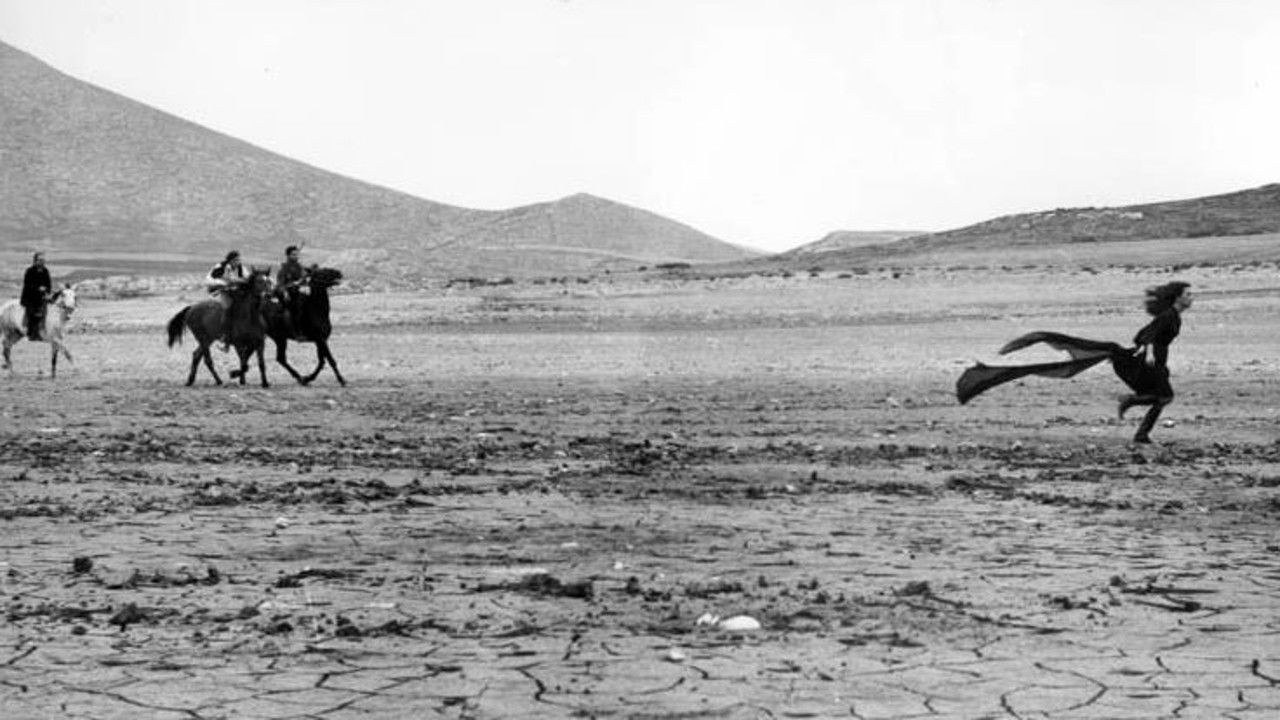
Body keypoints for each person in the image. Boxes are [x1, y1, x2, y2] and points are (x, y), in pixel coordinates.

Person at [956, 281, 1193, 444]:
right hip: (1146, 361)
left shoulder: (1173, 316)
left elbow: (1143, 335)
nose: (1191, 298)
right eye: (1188, 294)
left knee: (1161, 397)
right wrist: (1148, 351)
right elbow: (1147, 335)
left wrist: (1147, 348)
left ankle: (1140, 430)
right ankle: (1131, 408)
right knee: (1164, 397)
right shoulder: (1168, 315)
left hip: (1151, 360)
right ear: (1178, 298)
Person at [204, 250, 246, 351]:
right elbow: (210, 280)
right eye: (236, 260)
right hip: (218, 290)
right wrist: (226, 283)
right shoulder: (221, 267)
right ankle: (224, 336)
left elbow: (246, 278)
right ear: (230, 260)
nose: (238, 262)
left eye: (239, 260)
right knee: (228, 309)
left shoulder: (240, 268)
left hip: (233, 290)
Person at [275, 245, 309, 335]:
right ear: (288, 256)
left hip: (299, 291)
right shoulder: (284, 269)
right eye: (293, 255)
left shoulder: (300, 267)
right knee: (296, 307)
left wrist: (302, 281)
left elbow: (304, 279)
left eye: (297, 255)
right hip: (289, 293)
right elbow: (280, 284)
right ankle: (297, 331)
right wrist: (285, 291)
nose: (296, 256)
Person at [21, 252, 52, 341]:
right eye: (40, 260)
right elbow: (27, 285)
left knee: (44, 313)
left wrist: (47, 291)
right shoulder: (30, 271)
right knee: (32, 313)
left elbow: (49, 284)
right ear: (35, 261)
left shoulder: (45, 271)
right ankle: (30, 334)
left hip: (42, 297)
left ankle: (42, 331)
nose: (42, 262)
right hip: (30, 297)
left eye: (43, 260)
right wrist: (38, 288)